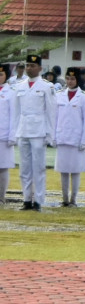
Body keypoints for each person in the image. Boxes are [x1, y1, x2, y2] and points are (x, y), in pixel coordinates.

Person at [12, 54, 57, 211]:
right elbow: (16, 112)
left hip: (39, 131)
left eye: (32, 66)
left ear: (40, 68)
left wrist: (50, 134)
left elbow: (51, 112)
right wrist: (14, 132)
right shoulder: (20, 85)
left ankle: (38, 200)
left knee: (38, 167)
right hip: (23, 130)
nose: (29, 68)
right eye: (27, 66)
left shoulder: (47, 86)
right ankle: (26, 199)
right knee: (24, 168)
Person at [53, 68, 85, 207]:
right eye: (68, 78)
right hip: (62, 136)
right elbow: (55, 117)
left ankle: (73, 199)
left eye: (73, 79)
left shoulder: (84, 96)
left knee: (75, 170)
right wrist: (54, 136)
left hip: (76, 138)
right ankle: (64, 199)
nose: (70, 81)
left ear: (78, 80)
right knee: (63, 170)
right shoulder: (59, 95)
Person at [0, 69, 16, 207]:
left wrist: (12, 135)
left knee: (3, 167)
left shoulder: (11, 93)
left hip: (4, 135)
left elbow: (14, 116)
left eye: (1, 74)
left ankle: (1, 197)